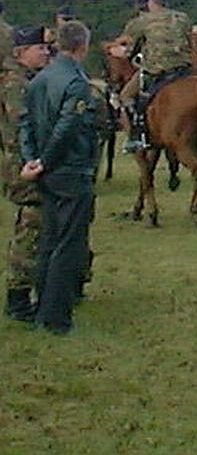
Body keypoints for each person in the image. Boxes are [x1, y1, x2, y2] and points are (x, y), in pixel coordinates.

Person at [19, 20, 98, 335]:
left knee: (50, 240)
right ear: (83, 46)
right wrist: (48, 160)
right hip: (70, 169)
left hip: (45, 171)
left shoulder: (39, 79)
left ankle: (42, 306)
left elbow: (26, 123)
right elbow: (68, 127)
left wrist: (32, 160)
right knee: (69, 244)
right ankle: (56, 318)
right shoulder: (76, 82)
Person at [1, 26, 50, 322]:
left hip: (29, 161)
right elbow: (23, 123)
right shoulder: (15, 84)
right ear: (21, 54)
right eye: (39, 49)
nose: (45, 52)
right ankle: (17, 297)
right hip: (23, 164)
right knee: (31, 225)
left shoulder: (25, 80)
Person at [110, 0, 193, 152]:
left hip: (157, 70)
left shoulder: (142, 21)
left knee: (126, 96)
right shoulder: (183, 18)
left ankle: (136, 135)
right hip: (183, 70)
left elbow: (129, 47)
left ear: (151, 3)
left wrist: (118, 52)